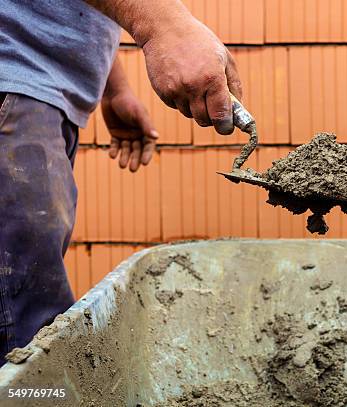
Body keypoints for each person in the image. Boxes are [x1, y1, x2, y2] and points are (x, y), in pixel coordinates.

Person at [0, 0, 242, 362]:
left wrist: (113, 88)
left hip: (38, 93)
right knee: (26, 329)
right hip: (14, 81)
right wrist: (164, 25)